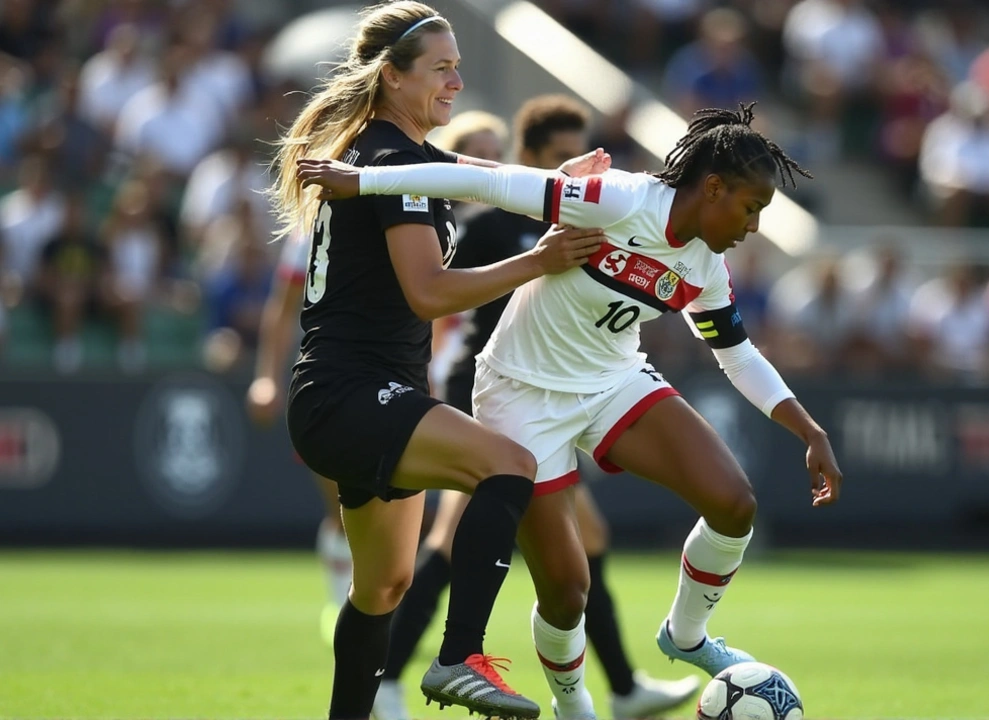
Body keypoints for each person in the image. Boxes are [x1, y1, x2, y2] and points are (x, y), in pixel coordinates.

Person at [299, 102, 844, 720]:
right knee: (567, 592)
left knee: (734, 503)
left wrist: (808, 427)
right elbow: (489, 182)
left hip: (614, 380)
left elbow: (738, 356)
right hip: (522, 393)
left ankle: (685, 636)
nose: (752, 227)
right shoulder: (617, 200)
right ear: (713, 187)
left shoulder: (706, 266)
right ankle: (573, 705)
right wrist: (364, 180)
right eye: (750, 208)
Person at [267, 3, 608, 719]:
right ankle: (460, 658)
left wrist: (556, 182)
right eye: (441, 68)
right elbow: (428, 293)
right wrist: (538, 261)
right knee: (510, 464)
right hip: (353, 394)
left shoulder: (392, 154)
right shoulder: (396, 159)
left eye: (458, 65)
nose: (457, 80)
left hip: (349, 398)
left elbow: (484, 174)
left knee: (382, 590)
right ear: (391, 76)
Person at [372, 95, 700, 720]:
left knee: (584, 540)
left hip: (552, 390)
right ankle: (388, 676)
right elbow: (431, 289)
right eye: (553, 157)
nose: (568, 166)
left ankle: (623, 687)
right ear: (530, 159)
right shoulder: (494, 225)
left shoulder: (594, 214)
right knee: (450, 539)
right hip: (495, 385)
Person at [246, 228, 353, 642]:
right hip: (325, 385)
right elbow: (282, 308)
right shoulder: (309, 232)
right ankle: (338, 603)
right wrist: (266, 379)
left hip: (389, 377)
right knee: (342, 506)